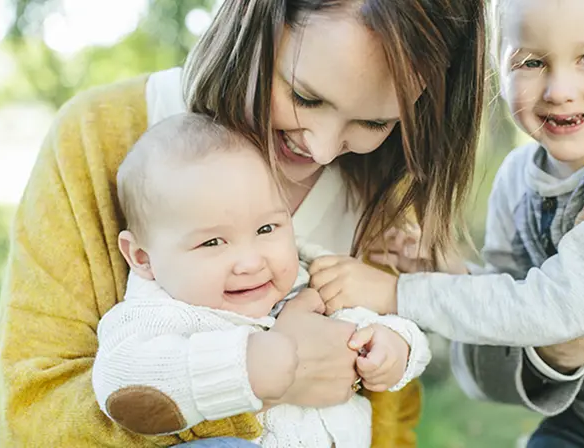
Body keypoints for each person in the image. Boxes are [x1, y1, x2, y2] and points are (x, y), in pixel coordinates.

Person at [304, 0, 584, 446]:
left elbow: (554, 306)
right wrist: (452, 273)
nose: (559, 89)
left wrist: (396, 293)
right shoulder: (516, 176)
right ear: (499, 70)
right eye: (531, 61)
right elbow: (507, 317)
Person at [91, 113, 431, 447]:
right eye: (212, 242)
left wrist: (395, 346)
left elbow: (376, 326)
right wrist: (244, 367)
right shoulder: (158, 315)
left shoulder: (309, 283)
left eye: (266, 229)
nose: (251, 262)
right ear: (142, 257)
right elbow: (119, 380)